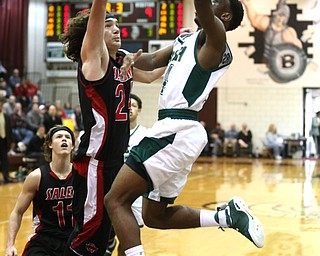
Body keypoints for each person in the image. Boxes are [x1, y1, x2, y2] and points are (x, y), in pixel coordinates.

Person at [105, 1, 265, 256]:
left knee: (115, 200)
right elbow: (152, 60)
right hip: (174, 131)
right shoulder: (186, 40)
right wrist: (121, 55)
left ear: (224, 15)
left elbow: (201, 7)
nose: (209, 4)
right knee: (155, 216)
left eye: (216, 2)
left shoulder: (217, 37)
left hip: (176, 129)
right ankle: (227, 218)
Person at [59, 1, 165, 254]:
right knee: (87, 239)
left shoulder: (122, 63)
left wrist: (186, 52)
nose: (116, 29)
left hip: (116, 161)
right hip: (95, 163)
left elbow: (151, 76)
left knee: (106, 236)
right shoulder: (94, 59)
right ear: (94, 33)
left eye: (117, 25)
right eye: (108, 26)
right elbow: (96, 17)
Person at [5, 125, 75, 256]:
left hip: (75, 239)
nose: (64, 140)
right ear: (50, 144)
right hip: (45, 240)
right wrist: (10, 245)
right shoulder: (36, 177)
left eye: (67, 137)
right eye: (59, 137)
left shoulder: (82, 176)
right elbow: (17, 212)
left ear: (72, 146)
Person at [106, 93, 147, 256]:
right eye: (127, 105)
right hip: (110, 188)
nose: (130, 108)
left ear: (140, 110)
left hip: (134, 192)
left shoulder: (146, 134)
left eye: (134, 105)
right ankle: (109, 243)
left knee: (129, 240)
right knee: (105, 235)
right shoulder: (111, 133)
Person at [0, 100, 14, 183]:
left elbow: (9, 130)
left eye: (1, 106)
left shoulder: (6, 116)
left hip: (4, 140)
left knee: (5, 160)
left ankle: (6, 177)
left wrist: (12, 140)